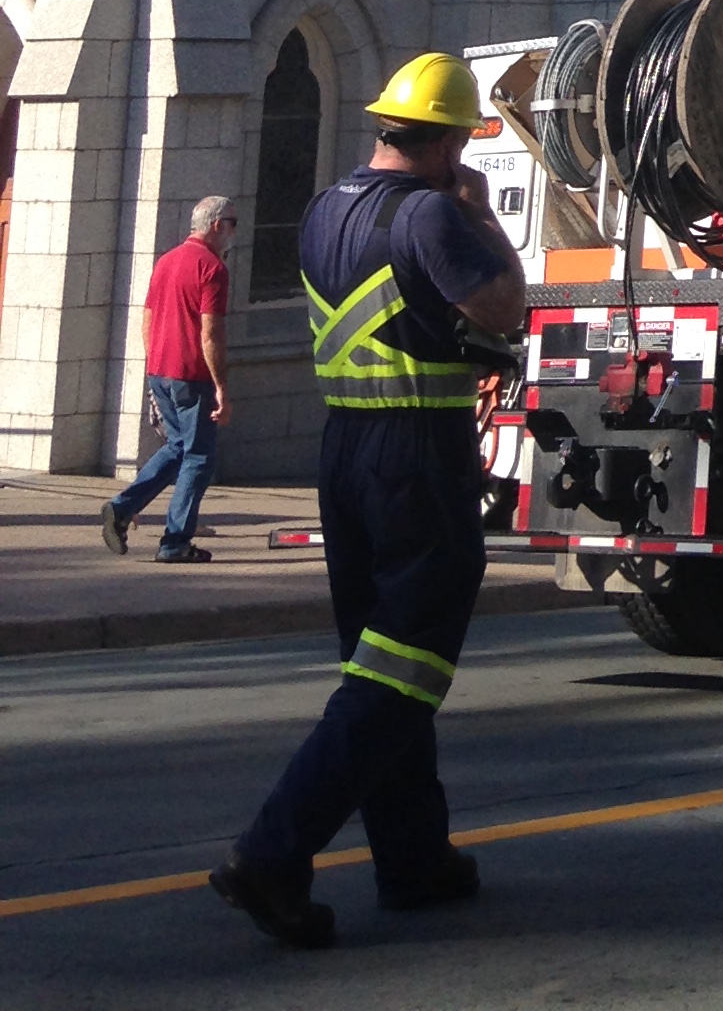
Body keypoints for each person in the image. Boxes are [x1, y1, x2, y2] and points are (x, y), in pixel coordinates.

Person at [210, 53, 526, 949]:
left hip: (345, 451)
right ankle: (273, 854)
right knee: (406, 666)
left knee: (381, 662)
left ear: (386, 123)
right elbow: (504, 308)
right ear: (454, 142)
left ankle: (414, 859)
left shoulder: (323, 207)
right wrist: (482, 215)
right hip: (415, 457)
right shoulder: (432, 212)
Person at [103, 194, 238, 564]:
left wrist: (155, 366)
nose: (233, 232)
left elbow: (147, 319)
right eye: (232, 224)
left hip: (161, 371)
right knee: (199, 457)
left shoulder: (166, 261)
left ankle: (122, 508)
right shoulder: (212, 268)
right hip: (192, 376)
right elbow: (211, 333)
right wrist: (221, 388)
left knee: (178, 447)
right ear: (217, 225)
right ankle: (175, 541)